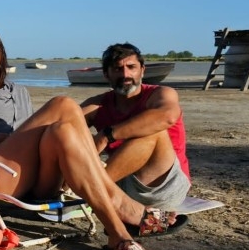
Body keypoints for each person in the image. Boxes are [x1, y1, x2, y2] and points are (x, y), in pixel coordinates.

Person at [0, 24, 186, 250]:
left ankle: (117, 227)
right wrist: (14, 139)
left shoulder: (19, 91)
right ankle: (119, 228)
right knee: (63, 104)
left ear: (1, 52)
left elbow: (37, 136)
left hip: (38, 181)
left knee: (63, 131)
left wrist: (31, 139)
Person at [80, 43, 191, 210]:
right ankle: (92, 190)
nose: (125, 74)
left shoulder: (161, 94)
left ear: (142, 70)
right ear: (106, 74)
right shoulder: (98, 105)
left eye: (131, 67)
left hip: (164, 187)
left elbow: (167, 117)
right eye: (117, 69)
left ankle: (95, 190)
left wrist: (107, 134)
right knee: (64, 120)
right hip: (122, 184)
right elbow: (63, 127)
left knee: (154, 131)